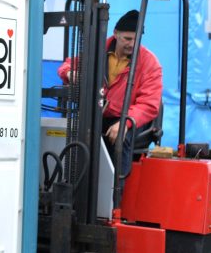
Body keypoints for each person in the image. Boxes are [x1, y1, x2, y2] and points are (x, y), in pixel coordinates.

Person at [58, 9, 162, 175]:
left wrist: (124, 123)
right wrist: (71, 74)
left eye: (136, 39)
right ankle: (75, 182)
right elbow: (68, 65)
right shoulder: (98, 49)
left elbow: (148, 105)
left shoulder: (150, 63)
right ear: (115, 33)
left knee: (119, 139)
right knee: (77, 132)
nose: (132, 44)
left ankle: (115, 193)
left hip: (129, 118)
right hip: (98, 113)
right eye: (127, 39)